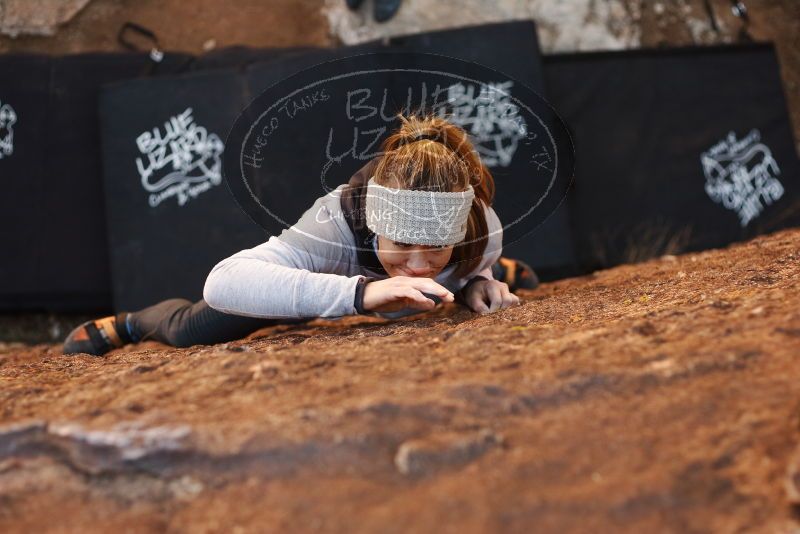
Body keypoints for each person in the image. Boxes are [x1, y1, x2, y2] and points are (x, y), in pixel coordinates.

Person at [62, 113, 539, 357]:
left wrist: (476, 280)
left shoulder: (483, 228)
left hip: (430, 267)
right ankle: (132, 322)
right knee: (194, 330)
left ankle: (495, 273)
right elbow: (223, 282)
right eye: (400, 245)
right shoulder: (335, 221)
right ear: (375, 225)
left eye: (436, 248)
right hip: (342, 276)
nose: (416, 264)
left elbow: (468, 261)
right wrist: (360, 293)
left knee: (463, 279)